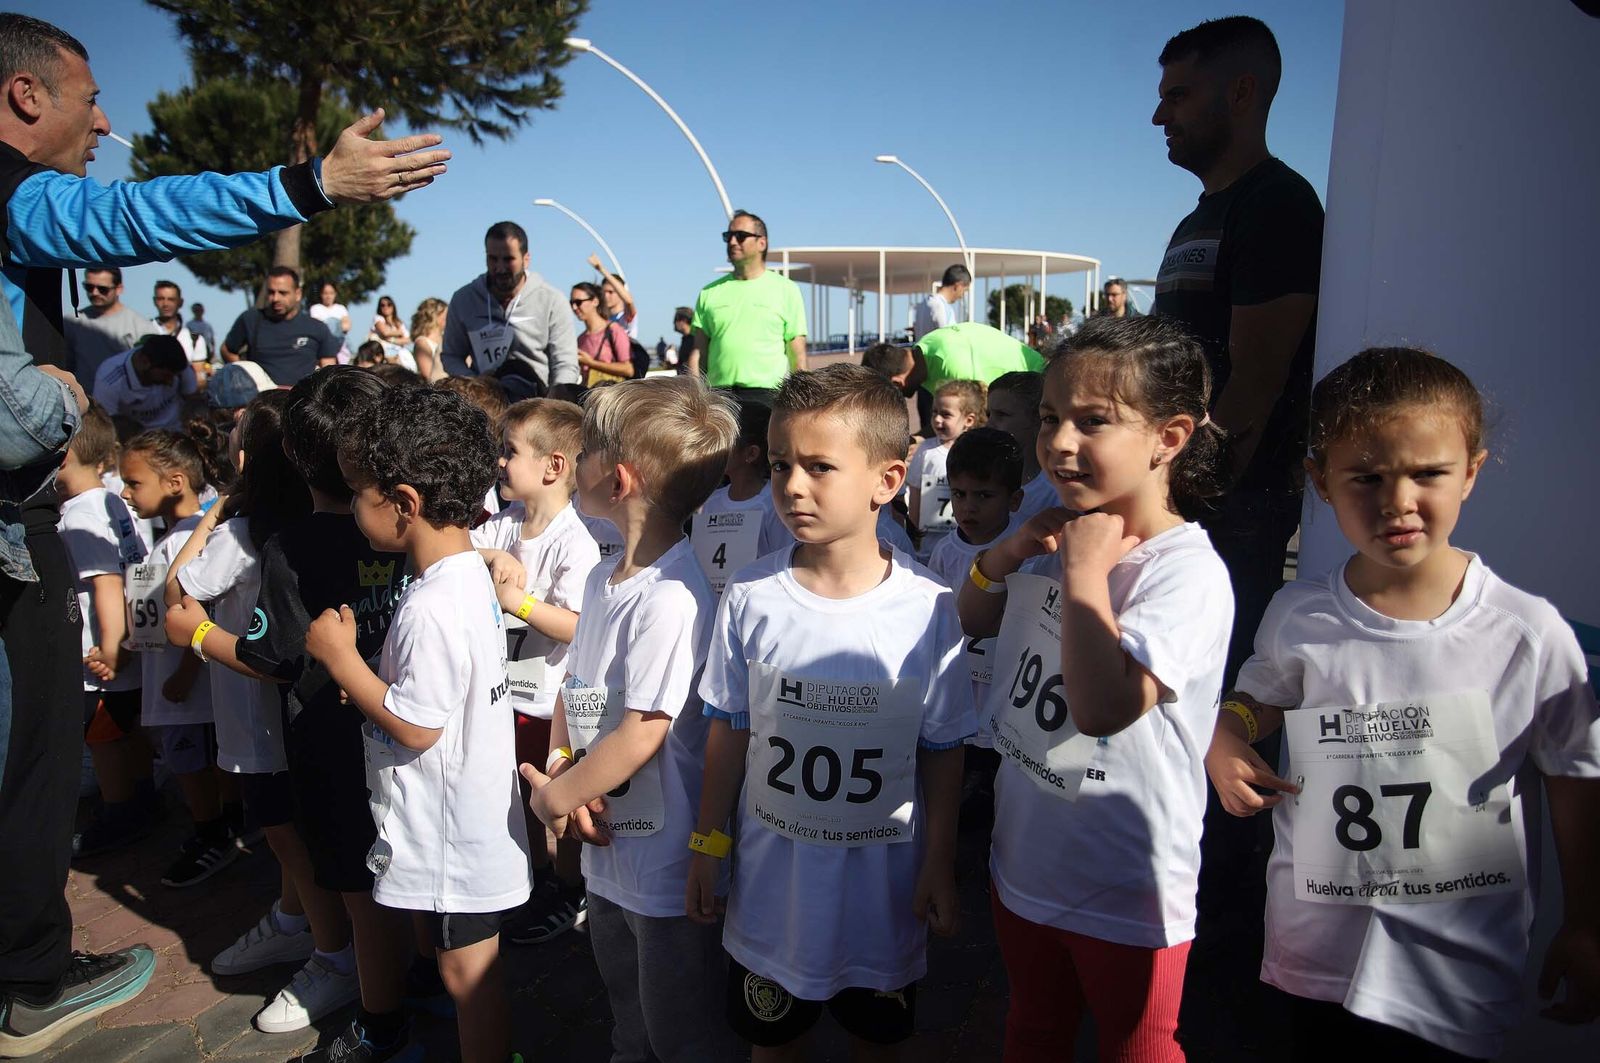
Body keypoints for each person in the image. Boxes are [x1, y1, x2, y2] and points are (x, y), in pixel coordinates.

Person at [0, 11, 449, 1050]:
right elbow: (134, 216)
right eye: (89, 96)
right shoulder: (15, 189)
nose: (104, 118)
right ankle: (27, 977)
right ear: (26, 99)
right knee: (28, 759)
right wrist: (308, 187)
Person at [1206, 348, 1600, 1059]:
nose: (1398, 501)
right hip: (1317, 958)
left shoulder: (1529, 633)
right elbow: (1256, 696)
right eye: (1367, 476)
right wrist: (1227, 733)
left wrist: (1587, 920)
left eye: (1428, 473)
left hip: (1457, 972)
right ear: (1321, 481)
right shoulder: (1300, 613)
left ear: (1472, 472)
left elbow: (1574, 774)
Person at [956, 315, 1234, 1062]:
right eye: (1050, 418)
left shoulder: (1188, 574)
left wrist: (1085, 572)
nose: (1060, 442)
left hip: (1125, 889)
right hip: (1023, 862)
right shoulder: (1054, 529)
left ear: (1169, 437)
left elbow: (1105, 707)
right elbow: (973, 616)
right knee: (1034, 1027)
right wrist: (1008, 551)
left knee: (1137, 1046)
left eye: (1093, 421)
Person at [688, 363, 973, 1061]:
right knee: (773, 1046)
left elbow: (942, 745)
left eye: (819, 466)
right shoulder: (751, 594)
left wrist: (940, 859)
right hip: (772, 901)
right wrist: (707, 845)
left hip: (880, 900)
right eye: (782, 463)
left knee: (873, 1043)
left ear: (887, 480)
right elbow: (730, 726)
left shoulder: (930, 606)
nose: (791, 484)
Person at [1150, 16, 1326, 1042]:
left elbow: (1253, 383)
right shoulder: (1194, 219)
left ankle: (1218, 977)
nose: (1159, 112)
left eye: (1178, 93)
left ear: (1243, 94)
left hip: (1236, 517)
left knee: (1216, 727)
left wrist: (1187, 500)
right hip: (1185, 515)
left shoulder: (1278, 205)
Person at [164, 368, 413, 1059]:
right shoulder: (405, 527)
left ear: (299, 458)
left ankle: (380, 1018)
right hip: (398, 729)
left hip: (329, 742)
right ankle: (412, 978)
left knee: (357, 884)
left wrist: (202, 635)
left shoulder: (291, 546)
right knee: (397, 871)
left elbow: (276, 656)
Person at [306, 385, 531, 1063]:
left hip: (451, 835)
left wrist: (344, 664)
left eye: (357, 494)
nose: (351, 509)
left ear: (404, 503)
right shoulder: (463, 575)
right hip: (465, 816)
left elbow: (416, 725)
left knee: (467, 973)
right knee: (455, 963)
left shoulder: (433, 603)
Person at [520, 375, 740, 1063]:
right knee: (624, 991)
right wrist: (562, 763)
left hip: (666, 859)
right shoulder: (602, 576)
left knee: (680, 1017)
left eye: (583, 450)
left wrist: (559, 794)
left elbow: (645, 730)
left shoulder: (671, 597)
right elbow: (574, 688)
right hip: (611, 844)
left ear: (615, 479)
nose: (574, 461)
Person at [162, 392, 352, 1035]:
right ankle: (294, 921)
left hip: (258, 727)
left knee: (287, 839)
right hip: (304, 722)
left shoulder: (241, 534)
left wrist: (215, 509)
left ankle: (332, 955)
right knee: (298, 840)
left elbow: (176, 595)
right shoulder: (315, 529)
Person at [469, 398, 600, 946]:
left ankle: (571, 887)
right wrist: (489, 561)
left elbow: (577, 625)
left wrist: (517, 602)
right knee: (514, 791)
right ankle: (534, 877)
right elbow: (455, 554)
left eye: (509, 452)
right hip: (504, 693)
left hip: (551, 704)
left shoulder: (575, 539)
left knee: (559, 797)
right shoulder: (501, 526)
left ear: (553, 466)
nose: (499, 463)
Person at [108, 429, 234, 888]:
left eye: (134, 482)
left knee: (192, 765)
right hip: (174, 684)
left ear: (176, 481)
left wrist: (185, 671)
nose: (124, 492)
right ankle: (221, 824)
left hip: (188, 690)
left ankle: (211, 835)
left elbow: (202, 611)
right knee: (195, 763)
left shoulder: (187, 544)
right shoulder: (165, 543)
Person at [56, 403, 155, 857]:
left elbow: (107, 584)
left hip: (102, 651)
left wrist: (112, 649)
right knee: (128, 728)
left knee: (104, 737)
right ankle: (142, 799)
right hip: (129, 640)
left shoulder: (77, 514)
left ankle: (120, 811)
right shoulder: (113, 499)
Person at [925, 427, 1023, 820]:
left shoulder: (1027, 551)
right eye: (960, 494)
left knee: (999, 800)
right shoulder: (942, 553)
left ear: (1014, 499)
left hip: (1006, 703)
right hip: (960, 699)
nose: (968, 507)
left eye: (984, 496)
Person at [441, 221, 580, 401]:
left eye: (508, 259)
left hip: (536, 403)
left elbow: (566, 363)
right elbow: (451, 356)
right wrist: (474, 386)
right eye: (492, 259)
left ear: (526, 259)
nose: (500, 268)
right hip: (484, 404)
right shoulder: (464, 299)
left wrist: (552, 403)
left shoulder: (553, 300)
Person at [690, 210, 808, 404]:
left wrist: (801, 404)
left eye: (741, 236)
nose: (733, 242)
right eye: (728, 236)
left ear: (762, 243)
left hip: (769, 397)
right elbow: (699, 353)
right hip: (719, 398)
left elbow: (798, 355)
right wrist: (694, 397)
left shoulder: (787, 290)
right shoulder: (709, 293)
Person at [691, 400, 788, 599]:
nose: (713, 450)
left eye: (723, 442)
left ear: (751, 453)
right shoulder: (711, 502)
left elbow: (783, 561)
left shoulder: (772, 503)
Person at [221, 267, 340, 385]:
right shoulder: (251, 319)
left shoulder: (317, 328)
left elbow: (328, 367)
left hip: (300, 400)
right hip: (261, 400)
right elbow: (227, 350)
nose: (276, 298)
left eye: (283, 293)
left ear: (298, 294)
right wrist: (243, 376)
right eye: (271, 292)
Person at [908, 379, 984, 560]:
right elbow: (915, 496)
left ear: (968, 420)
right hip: (930, 547)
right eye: (934, 412)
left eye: (946, 414)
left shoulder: (978, 452)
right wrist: (914, 532)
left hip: (970, 545)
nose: (937, 419)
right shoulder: (925, 451)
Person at [985, 371, 1059, 527]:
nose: (989, 424)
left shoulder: (1056, 490)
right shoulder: (984, 475)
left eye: (1001, 415)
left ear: (1036, 419)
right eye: (989, 414)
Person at [62, 265, 155, 386]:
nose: (94, 293)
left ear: (119, 288)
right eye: (89, 287)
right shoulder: (71, 323)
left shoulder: (141, 327)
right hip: (85, 402)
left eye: (102, 289)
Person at [91, 333, 197, 432]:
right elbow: (106, 423)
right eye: (166, 376)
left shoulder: (181, 367)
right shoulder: (109, 379)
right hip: (138, 439)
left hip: (176, 431)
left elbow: (192, 400)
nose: (170, 382)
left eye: (174, 377)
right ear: (145, 362)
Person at [569, 281, 634, 387]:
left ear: (595, 301)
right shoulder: (580, 339)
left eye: (578, 302)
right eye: (571, 303)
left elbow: (628, 369)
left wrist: (591, 363)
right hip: (589, 397)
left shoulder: (614, 330)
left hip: (610, 397)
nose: (574, 307)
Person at [151, 279, 207, 369]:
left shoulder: (195, 340)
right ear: (154, 301)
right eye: (161, 299)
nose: (165, 304)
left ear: (180, 302)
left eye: (171, 299)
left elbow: (199, 379)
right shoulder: (143, 331)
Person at [912, 264, 971, 342]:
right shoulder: (941, 306)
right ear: (958, 286)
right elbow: (948, 341)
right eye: (964, 291)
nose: (962, 296)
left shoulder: (922, 305)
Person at [590, 254, 638, 340]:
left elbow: (629, 301)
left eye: (610, 292)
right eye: (603, 292)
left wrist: (601, 269)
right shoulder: (602, 319)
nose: (605, 295)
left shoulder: (625, 317)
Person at [409, 297, 447, 382]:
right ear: (435, 315)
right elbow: (428, 375)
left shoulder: (446, 338)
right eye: (445, 314)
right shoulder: (422, 342)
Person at [308, 281, 353, 354]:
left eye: (331, 293)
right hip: (321, 343)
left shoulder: (341, 308)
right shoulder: (315, 308)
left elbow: (347, 326)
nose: (328, 296)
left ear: (335, 294)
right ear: (321, 294)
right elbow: (317, 326)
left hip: (339, 342)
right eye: (325, 293)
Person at [369, 294, 410, 364]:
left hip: (398, 354)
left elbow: (407, 340)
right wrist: (399, 333)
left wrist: (391, 339)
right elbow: (385, 332)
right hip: (383, 355)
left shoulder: (399, 322)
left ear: (393, 306)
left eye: (389, 304)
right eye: (382, 305)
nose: (386, 307)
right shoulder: (378, 318)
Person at [671, 306, 695, 376]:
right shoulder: (687, 339)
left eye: (676, 319)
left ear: (684, 320)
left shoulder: (692, 341)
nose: (673, 323)